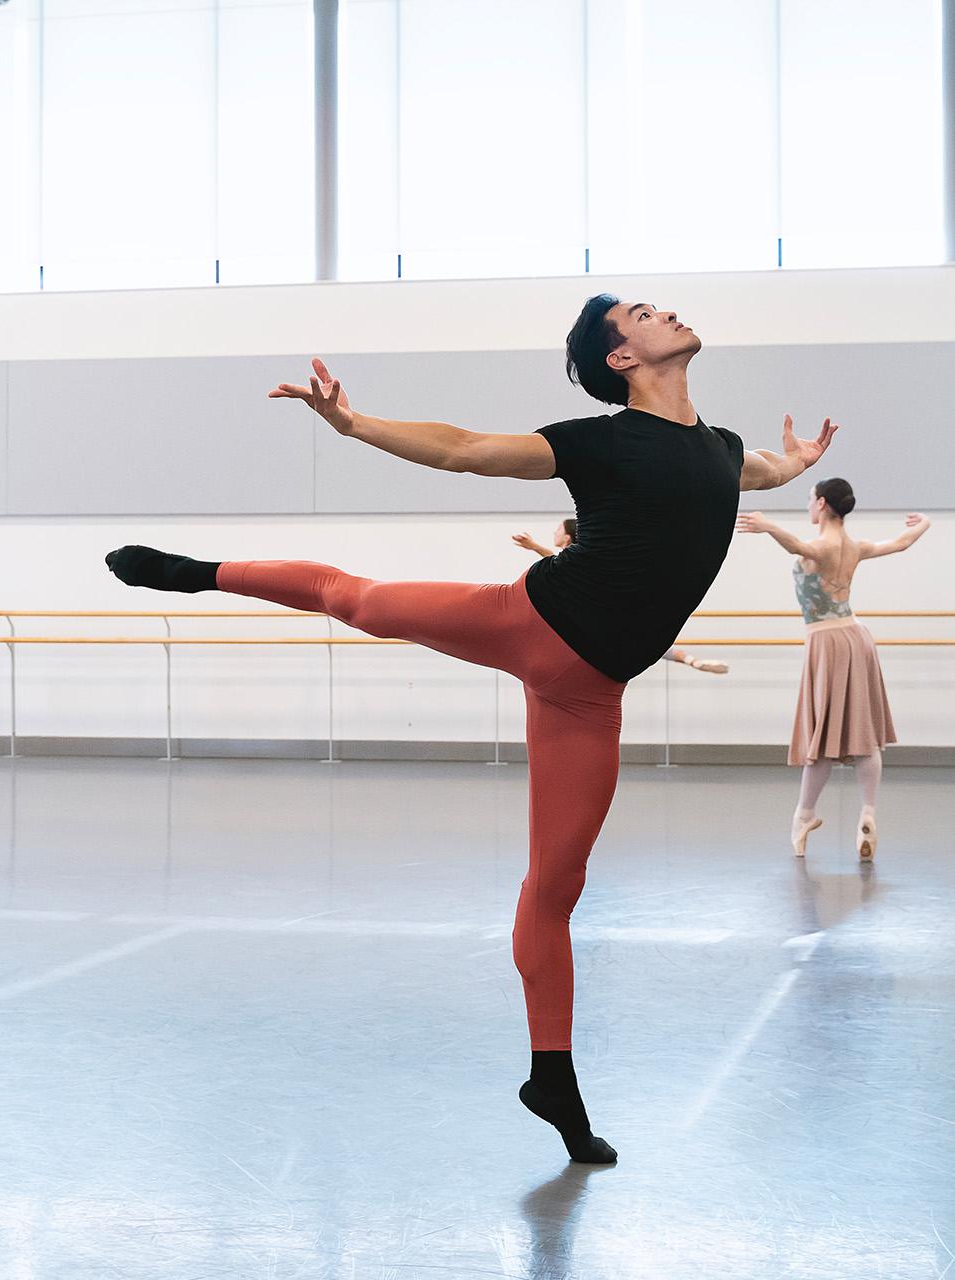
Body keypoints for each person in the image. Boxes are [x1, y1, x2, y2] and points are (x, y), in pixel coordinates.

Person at [106, 294, 839, 1164]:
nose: (668, 311)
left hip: (592, 694)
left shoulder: (718, 448)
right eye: (644, 313)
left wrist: (791, 469)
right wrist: (352, 425)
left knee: (556, 885)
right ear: (620, 359)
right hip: (532, 621)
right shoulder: (598, 442)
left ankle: (552, 1076)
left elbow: (749, 471)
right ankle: (197, 572)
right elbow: (461, 449)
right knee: (361, 600)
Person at [736, 481, 929, 860]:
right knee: (864, 733)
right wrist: (926, 523)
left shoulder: (824, 546)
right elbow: (901, 543)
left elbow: (799, 547)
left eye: (810, 499)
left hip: (827, 642)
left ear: (822, 504)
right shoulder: (855, 547)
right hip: (856, 637)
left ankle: (803, 815)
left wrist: (768, 525)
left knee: (822, 735)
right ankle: (868, 812)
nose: (808, 505)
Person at [512, 521, 728, 674]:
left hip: (593, 613)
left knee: (636, 638)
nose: (554, 532)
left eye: (558, 529)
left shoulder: (575, 558)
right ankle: (692, 661)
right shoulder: (582, 557)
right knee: (644, 640)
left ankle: (691, 660)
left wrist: (534, 546)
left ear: (567, 536)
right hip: (606, 609)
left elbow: (556, 560)